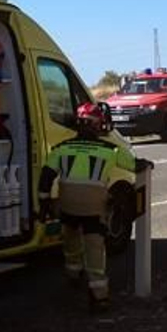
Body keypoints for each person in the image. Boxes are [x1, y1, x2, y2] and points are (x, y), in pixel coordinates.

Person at [38, 101, 134, 311]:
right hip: (94, 210)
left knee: (71, 241)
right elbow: (135, 164)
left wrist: (44, 201)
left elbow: (46, 176)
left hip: (68, 207)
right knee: (95, 250)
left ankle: (73, 275)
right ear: (98, 125)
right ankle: (99, 296)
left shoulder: (62, 149)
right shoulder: (111, 150)